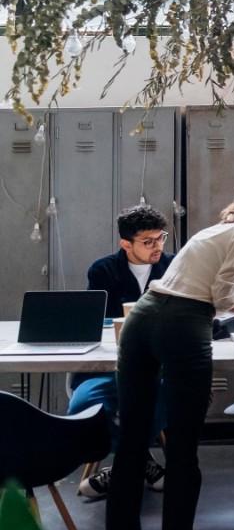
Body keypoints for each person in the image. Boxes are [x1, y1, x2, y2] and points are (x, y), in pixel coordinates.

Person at [107, 177, 234, 530]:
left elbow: (231, 282)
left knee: (131, 440)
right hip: (183, 323)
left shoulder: (219, 231)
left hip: (143, 318)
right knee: (182, 443)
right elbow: (224, 297)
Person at [72, 204, 175, 499]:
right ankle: (139, 461)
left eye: (161, 238)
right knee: (84, 405)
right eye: (148, 241)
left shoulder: (173, 267)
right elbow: (95, 321)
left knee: (163, 398)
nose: (157, 246)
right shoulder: (103, 270)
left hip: (157, 364)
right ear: (125, 244)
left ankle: (121, 467)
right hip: (109, 364)